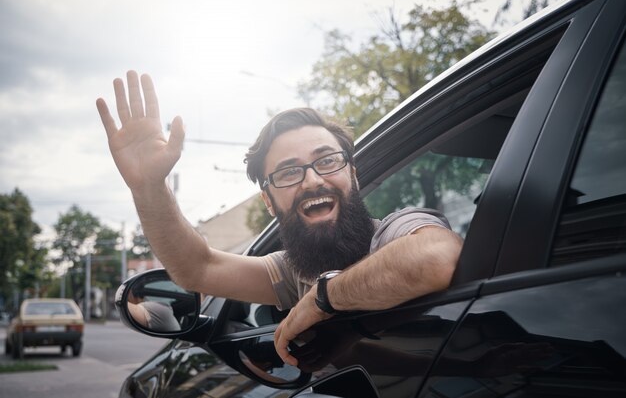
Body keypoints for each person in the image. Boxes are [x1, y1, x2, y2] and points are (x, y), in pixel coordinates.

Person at [96, 71, 463, 366]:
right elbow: (197, 268)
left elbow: (436, 258)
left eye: (327, 160)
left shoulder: (394, 233)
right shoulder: (294, 273)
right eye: (289, 173)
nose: (313, 179)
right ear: (269, 202)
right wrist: (149, 187)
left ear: (353, 174)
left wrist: (322, 299)